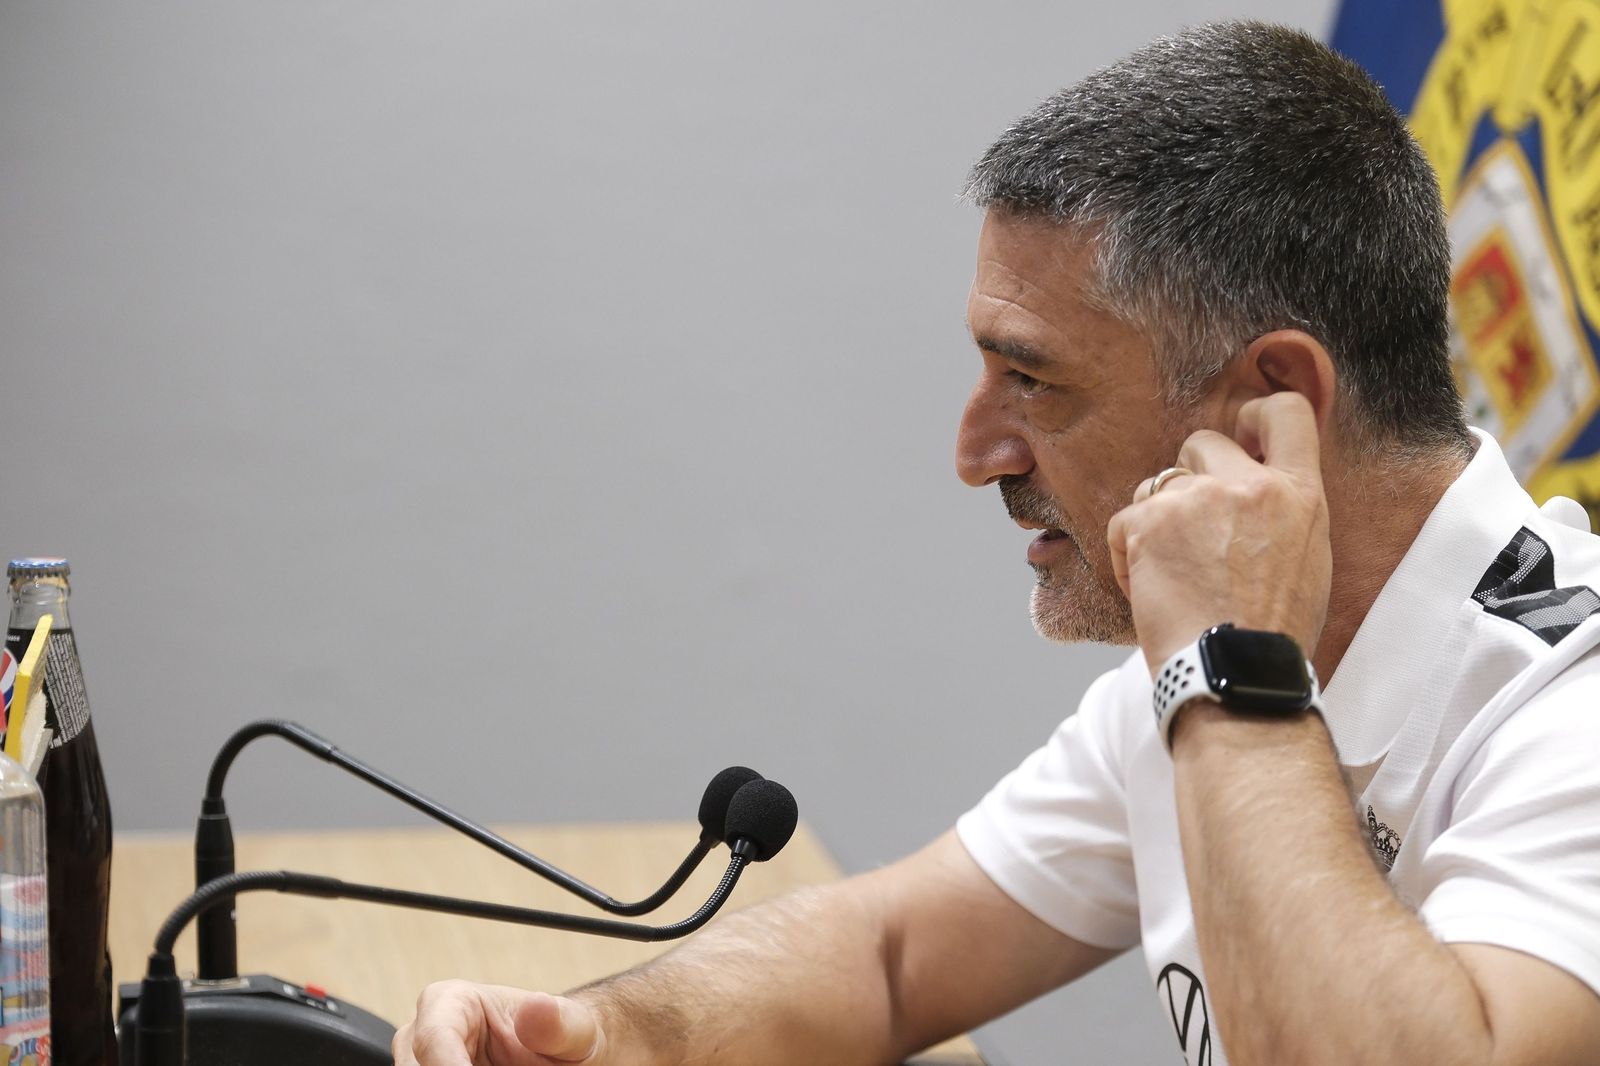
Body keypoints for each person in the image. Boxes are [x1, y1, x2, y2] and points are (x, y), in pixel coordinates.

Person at [393, 20, 1600, 1066]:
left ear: (1268, 404)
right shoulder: (1215, 663)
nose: (975, 453)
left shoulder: (1557, 711)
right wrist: (596, 1033)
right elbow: (892, 955)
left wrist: (1233, 667)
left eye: (1033, 380)